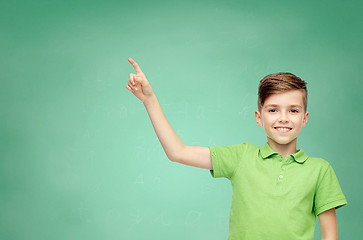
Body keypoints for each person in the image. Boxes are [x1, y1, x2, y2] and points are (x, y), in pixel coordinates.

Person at [125, 57, 347, 240]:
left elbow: (330, 236)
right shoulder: (241, 157)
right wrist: (149, 99)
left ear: (305, 118)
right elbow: (178, 152)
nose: (283, 118)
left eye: (293, 110)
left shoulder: (320, 170)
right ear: (258, 117)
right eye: (273, 110)